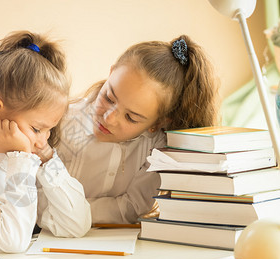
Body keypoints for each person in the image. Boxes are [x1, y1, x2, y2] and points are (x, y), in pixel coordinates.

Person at [54, 35, 220, 224]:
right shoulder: (60, 120)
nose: (109, 118)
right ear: (111, 73)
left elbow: (133, 207)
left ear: (157, 123)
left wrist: (68, 213)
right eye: (108, 97)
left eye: (131, 117)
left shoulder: (158, 148)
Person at [0, 31, 91, 253]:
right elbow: (13, 242)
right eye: (37, 129)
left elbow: (76, 225)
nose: (43, 141)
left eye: (49, 131)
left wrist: (47, 159)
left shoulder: (30, 154)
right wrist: (21, 159)